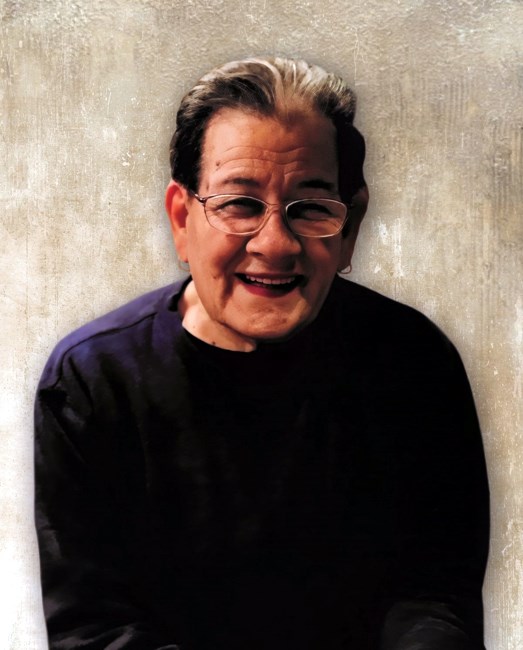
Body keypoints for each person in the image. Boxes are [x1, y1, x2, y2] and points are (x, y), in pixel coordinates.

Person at [34, 57, 489, 650]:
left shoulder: (414, 363)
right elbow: (93, 628)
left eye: (312, 208)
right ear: (182, 219)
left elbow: (435, 594)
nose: (275, 244)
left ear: (349, 228)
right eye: (240, 204)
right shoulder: (92, 381)